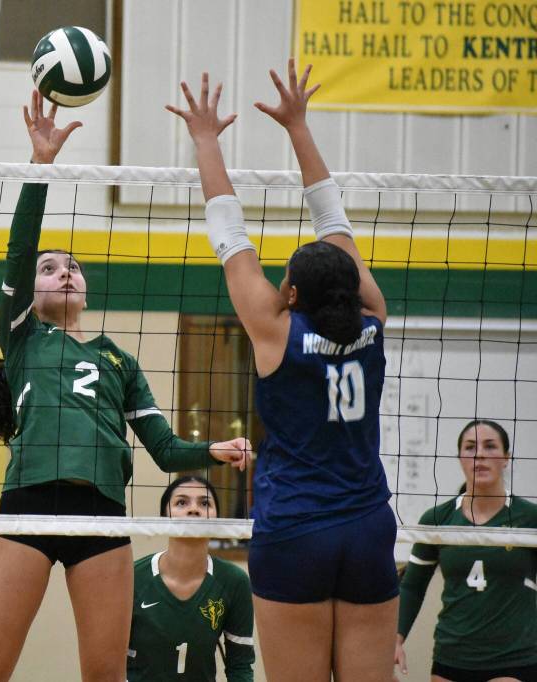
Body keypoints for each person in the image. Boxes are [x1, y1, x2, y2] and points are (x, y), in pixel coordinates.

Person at [0, 90, 251, 682]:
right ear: (30, 293)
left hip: (103, 515)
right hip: (30, 505)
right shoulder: (22, 338)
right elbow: (19, 248)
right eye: (49, 269)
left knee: (106, 676)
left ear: (85, 291)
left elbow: (165, 450)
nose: (63, 271)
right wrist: (41, 166)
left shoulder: (120, 360)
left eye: (72, 266)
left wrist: (213, 451)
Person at [167, 59, 398, 681]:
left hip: (295, 529)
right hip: (368, 526)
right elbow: (336, 224)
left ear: (290, 293)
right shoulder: (374, 322)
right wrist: (299, 126)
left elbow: (228, 232)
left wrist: (206, 139)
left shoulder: (276, 335)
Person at [394, 419, 537, 681]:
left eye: (490, 446)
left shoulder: (530, 518)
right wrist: (396, 638)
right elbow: (412, 586)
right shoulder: (438, 519)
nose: (479, 454)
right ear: (460, 457)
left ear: (506, 458)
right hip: (452, 656)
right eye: (470, 447)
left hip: (514, 658)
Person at [127, 476, 255, 681]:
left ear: (217, 519)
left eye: (204, 503)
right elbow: (111, 662)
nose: (194, 509)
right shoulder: (132, 577)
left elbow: (240, 666)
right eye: (181, 502)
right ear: (163, 518)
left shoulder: (234, 581)